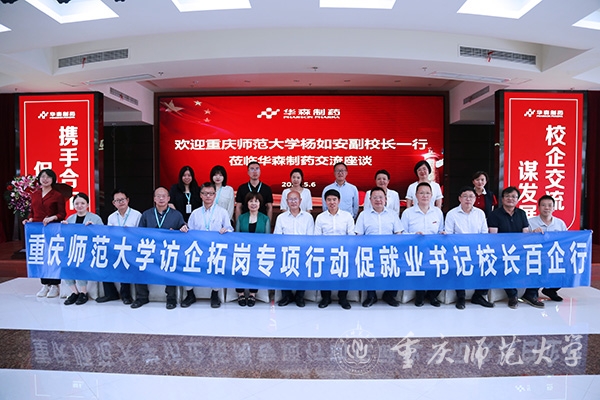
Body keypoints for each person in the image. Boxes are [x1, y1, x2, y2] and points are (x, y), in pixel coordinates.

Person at [180, 182, 233, 308]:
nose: (208, 196)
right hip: (198, 249)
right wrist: (185, 230)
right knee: (187, 263)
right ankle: (190, 294)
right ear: (200, 195)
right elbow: (190, 232)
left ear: (215, 195)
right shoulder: (195, 213)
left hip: (215, 249)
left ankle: (215, 295)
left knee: (218, 264)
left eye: (211, 193)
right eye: (205, 193)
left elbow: (230, 229)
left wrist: (226, 230)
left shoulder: (222, 212)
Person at [131, 187, 186, 310]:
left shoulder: (176, 215)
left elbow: (182, 231)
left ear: (168, 198)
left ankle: (171, 298)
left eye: (164, 196)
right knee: (138, 264)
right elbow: (140, 233)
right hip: (150, 250)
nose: (161, 198)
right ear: (154, 199)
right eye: (158, 196)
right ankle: (141, 297)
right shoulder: (146, 214)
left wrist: (181, 229)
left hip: (168, 250)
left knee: (171, 264)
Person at [488, 186, 542, 309]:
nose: (510, 199)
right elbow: (493, 237)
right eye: (507, 196)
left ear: (517, 199)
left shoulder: (522, 213)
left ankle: (530, 295)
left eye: (513, 197)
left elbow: (525, 233)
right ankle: (512, 296)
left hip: (520, 250)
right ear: (502, 199)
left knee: (538, 263)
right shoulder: (494, 214)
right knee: (504, 265)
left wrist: (533, 234)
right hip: (502, 251)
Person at [444, 186, 494, 309]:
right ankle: (461, 296)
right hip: (458, 250)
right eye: (465, 196)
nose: (468, 199)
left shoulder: (480, 213)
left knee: (490, 264)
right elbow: (449, 235)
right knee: (458, 264)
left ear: (475, 199)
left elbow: (484, 233)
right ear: (459, 198)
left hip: (477, 249)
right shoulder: (452, 214)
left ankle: (479, 295)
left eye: (471, 196)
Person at [355, 187, 402, 307]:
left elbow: (398, 233)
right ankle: (371, 296)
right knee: (367, 264)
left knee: (398, 266)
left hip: (389, 250)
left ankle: (390, 295)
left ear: (385, 199)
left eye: (380, 197)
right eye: (375, 197)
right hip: (370, 251)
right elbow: (359, 235)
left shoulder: (392, 214)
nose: (378, 200)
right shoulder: (363, 215)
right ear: (370, 200)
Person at [400, 182, 444, 307]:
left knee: (444, 268)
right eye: (421, 193)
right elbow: (402, 233)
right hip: (414, 250)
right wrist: (414, 235)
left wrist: (442, 234)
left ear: (432, 195)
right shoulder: (408, 213)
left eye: (427, 193)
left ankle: (432, 295)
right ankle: (420, 295)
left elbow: (441, 230)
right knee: (419, 266)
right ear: (416, 195)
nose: (425, 196)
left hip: (433, 249)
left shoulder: (437, 212)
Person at [24, 168, 66, 298]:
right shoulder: (35, 194)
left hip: (52, 229)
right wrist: (29, 219)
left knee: (52, 256)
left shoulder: (57, 195)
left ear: (53, 179)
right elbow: (32, 212)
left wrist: (53, 217)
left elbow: (62, 214)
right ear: (39, 179)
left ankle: (55, 285)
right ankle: (45, 284)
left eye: (48, 177)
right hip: (37, 230)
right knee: (41, 256)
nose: (45, 179)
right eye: (42, 176)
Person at [96, 189, 142, 304]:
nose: (121, 202)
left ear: (127, 200)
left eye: (122, 199)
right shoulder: (111, 217)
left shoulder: (137, 215)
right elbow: (109, 235)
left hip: (132, 248)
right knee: (102, 260)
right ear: (114, 203)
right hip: (115, 247)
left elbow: (141, 234)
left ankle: (126, 296)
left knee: (124, 261)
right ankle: (110, 293)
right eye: (117, 200)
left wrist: (131, 232)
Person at [314, 189, 355, 309]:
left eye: (334, 199)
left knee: (344, 274)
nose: (332, 202)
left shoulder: (347, 216)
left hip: (343, 251)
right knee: (324, 274)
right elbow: (317, 237)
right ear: (325, 202)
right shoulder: (320, 217)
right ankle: (326, 297)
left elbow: (351, 235)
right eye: (329, 200)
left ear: (339, 201)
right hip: (325, 251)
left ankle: (343, 298)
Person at [274, 190, 315, 307]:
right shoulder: (281, 217)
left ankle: (300, 296)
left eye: (295, 199)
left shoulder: (308, 217)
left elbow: (310, 237)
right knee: (281, 267)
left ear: (300, 201)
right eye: (290, 199)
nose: (293, 202)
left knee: (305, 268)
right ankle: (286, 296)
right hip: (285, 251)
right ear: (287, 202)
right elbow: (277, 237)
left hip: (303, 251)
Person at [62, 193, 103, 306]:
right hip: (73, 250)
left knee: (80, 263)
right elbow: (66, 238)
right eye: (77, 203)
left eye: (82, 203)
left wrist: (94, 228)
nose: (79, 206)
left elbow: (103, 234)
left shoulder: (95, 218)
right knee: (64, 265)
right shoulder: (70, 219)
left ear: (88, 205)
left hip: (89, 251)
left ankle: (83, 293)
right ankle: (74, 292)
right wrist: (63, 228)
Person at [529, 194, 568, 302]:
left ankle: (550, 290)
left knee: (568, 268)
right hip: (537, 255)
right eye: (543, 205)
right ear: (538, 207)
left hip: (555, 256)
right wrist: (532, 234)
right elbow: (523, 240)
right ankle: (532, 292)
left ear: (554, 208)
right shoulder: (530, 222)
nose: (546, 208)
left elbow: (567, 240)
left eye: (549, 205)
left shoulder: (560, 223)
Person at [235, 192, 271, 307]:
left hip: (258, 252)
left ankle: (252, 293)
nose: (253, 204)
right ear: (247, 203)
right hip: (243, 250)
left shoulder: (265, 219)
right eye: (251, 201)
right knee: (240, 268)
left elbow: (267, 237)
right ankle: (240, 293)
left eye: (256, 201)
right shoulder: (241, 218)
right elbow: (237, 235)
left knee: (255, 269)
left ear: (260, 204)